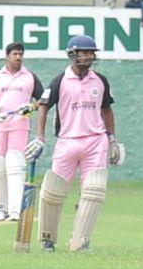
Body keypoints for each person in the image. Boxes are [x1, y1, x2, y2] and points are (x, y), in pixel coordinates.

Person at [24, 34, 120, 252]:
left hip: (96, 141)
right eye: (84, 52)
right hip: (67, 141)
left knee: (94, 192)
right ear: (73, 54)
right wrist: (40, 138)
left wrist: (112, 138)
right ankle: (47, 239)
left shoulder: (100, 80)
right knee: (53, 191)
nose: (88, 56)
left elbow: (107, 109)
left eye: (90, 53)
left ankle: (80, 241)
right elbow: (44, 107)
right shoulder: (59, 81)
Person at [0, 42, 44, 222]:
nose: (18, 57)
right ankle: (0, 209)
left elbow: (43, 99)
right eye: (15, 54)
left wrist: (31, 106)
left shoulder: (30, 77)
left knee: (15, 163)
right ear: (7, 56)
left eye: (20, 54)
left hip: (20, 124)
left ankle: (16, 210)